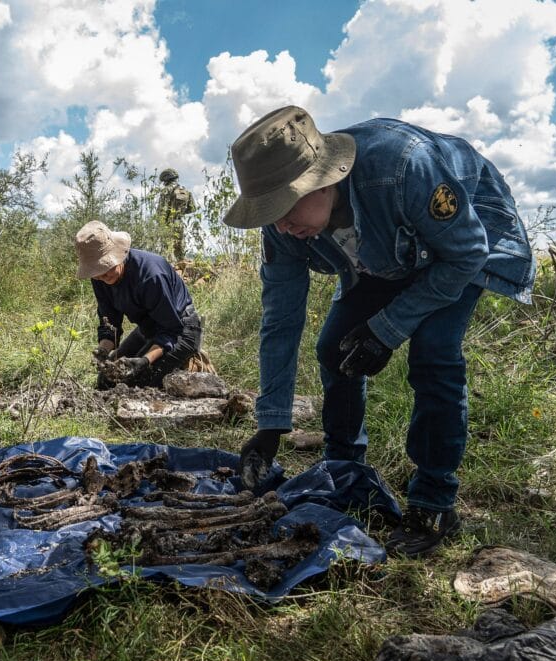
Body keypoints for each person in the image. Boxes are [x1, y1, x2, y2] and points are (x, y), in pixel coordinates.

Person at [224, 105, 535, 557]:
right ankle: (346, 470)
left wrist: (387, 329)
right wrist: (271, 424)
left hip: (459, 244)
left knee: (433, 350)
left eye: (286, 205)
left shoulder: (403, 166)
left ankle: (433, 502)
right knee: (336, 349)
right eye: (269, 211)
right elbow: (281, 319)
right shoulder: (285, 229)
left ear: (325, 178)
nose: (281, 224)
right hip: (384, 252)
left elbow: (466, 253)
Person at [75, 220, 203, 389]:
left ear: (118, 254)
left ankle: (190, 368)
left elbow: (171, 330)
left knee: (137, 383)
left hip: (180, 329)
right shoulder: (99, 278)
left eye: (106, 269)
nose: (102, 276)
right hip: (147, 328)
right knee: (107, 379)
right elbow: (110, 321)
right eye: (97, 272)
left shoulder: (151, 276)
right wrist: (103, 352)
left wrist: (143, 361)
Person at [156, 168, 196, 261]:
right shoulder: (185, 191)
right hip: (179, 223)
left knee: (166, 251)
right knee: (179, 250)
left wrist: (161, 224)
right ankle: (182, 269)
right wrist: (180, 212)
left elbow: (162, 209)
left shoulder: (166, 190)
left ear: (166, 179)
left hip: (167, 224)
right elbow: (193, 208)